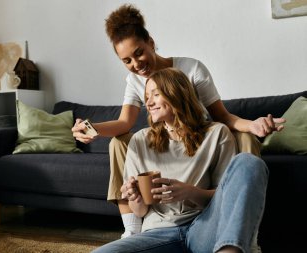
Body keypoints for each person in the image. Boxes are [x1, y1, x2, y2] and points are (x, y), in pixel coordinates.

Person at [71, 4, 282, 239]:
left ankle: (242, 224)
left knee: (244, 137)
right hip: (166, 140)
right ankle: (132, 227)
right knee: (118, 142)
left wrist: (252, 125)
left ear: (150, 42)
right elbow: (124, 123)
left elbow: (222, 116)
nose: (136, 64)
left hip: (198, 137)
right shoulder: (134, 80)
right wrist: (92, 129)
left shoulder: (191, 68)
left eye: (139, 52)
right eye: (127, 60)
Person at [91, 67, 268, 253]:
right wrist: (135, 197)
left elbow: (226, 198)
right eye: (146, 97)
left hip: (204, 228)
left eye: (155, 94)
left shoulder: (217, 133)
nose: (148, 103)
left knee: (249, 162)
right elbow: (140, 211)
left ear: (176, 94)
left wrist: (190, 193)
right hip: (158, 233)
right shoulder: (140, 140)